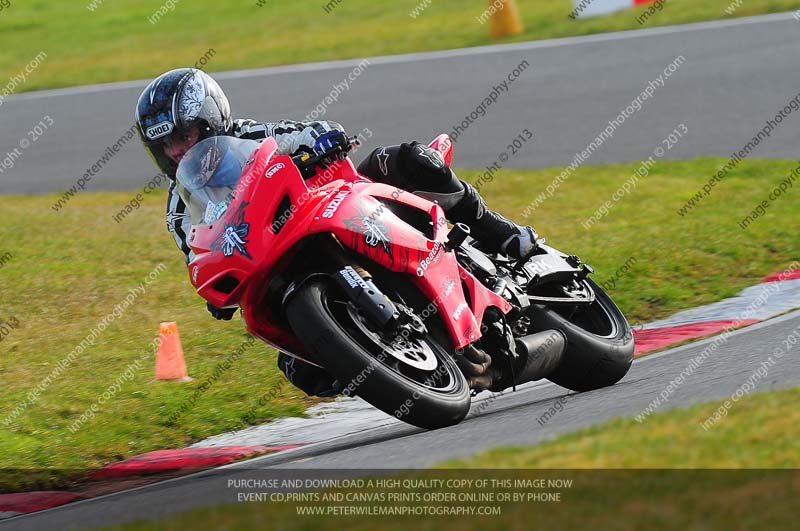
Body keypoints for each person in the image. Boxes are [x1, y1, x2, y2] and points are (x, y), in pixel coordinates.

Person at [135, 68, 539, 396]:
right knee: (298, 366)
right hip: (279, 259)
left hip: (341, 209)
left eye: (183, 137)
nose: (176, 152)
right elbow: (198, 255)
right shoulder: (178, 207)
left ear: (210, 121)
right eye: (165, 146)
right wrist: (216, 293)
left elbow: (316, 130)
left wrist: (323, 140)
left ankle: (498, 231)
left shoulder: (253, 135)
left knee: (405, 160)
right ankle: (381, 364)